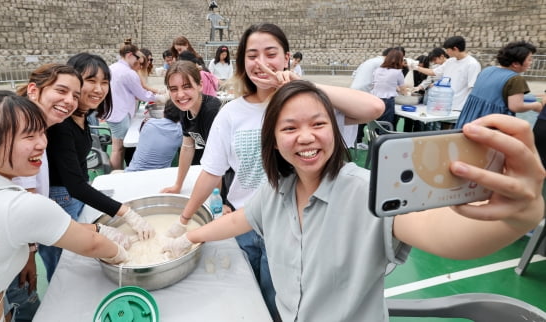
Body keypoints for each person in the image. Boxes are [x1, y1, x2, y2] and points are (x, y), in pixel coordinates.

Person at [162, 80, 545, 322]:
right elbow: (239, 219)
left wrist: (519, 216)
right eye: (290, 128)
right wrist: (189, 237)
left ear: (336, 131)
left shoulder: (368, 192)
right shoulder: (275, 191)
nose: (306, 137)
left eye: (318, 124)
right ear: (274, 141)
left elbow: (445, 234)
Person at [163, 23, 384, 321]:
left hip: (299, 229)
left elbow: (373, 108)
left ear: (287, 58)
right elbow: (211, 172)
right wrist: (184, 221)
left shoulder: (310, 105)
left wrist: (300, 85)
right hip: (244, 225)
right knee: (246, 299)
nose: (261, 62)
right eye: (252, 55)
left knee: (283, 305)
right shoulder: (231, 114)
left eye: (271, 53)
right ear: (242, 62)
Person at [0, 89, 136, 322]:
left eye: (42, 132)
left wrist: (101, 229)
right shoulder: (17, 204)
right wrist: (128, 254)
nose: (42, 143)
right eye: (29, 136)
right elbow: (93, 246)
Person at [43, 53, 155, 280]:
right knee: (64, 269)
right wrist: (127, 213)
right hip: (59, 200)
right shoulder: (62, 125)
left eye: (104, 82)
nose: (99, 89)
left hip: (73, 197)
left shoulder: (84, 116)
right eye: (91, 81)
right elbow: (74, 184)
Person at [9, 63, 82, 320]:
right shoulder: (18, 131)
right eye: (61, 91)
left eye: (75, 95)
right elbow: (26, 203)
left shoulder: (38, 129)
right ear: (33, 90)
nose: (69, 100)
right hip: (5, 253)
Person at [160, 61, 222, 193]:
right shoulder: (185, 108)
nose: (180, 95)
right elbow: (187, 148)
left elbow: (219, 160)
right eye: (174, 89)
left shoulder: (212, 111)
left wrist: (220, 199)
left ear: (200, 85)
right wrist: (178, 185)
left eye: (186, 86)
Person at [455, 41, 543, 129]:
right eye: (529, 59)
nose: (531, 62)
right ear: (515, 63)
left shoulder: (487, 70)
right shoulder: (515, 79)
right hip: (491, 123)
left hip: (469, 118)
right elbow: (516, 106)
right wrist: (536, 105)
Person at [107, 39, 164, 170]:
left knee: (118, 148)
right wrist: (161, 97)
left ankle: (117, 173)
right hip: (120, 113)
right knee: (118, 149)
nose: (138, 64)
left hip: (114, 112)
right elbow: (142, 94)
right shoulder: (128, 72)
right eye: (138, 60)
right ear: (130, 55)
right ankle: (116, 175)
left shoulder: (113, 67)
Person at [413, 36, 482, 112]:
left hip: (459, 108)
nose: (446, 52)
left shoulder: (472, 64)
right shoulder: (450, 62)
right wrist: (415, 67)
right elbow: (433, 72)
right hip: (444, 104)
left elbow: (472, 89)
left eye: (447, 50)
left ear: (455, 49)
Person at [350, 47, 393, 146]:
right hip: (365, 93)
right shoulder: (382, 63)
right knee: (367, 117)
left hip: (354, 90)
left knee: (359, 117)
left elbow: (354, 74)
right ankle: (371, 142)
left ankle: (357, 141)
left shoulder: (369, 61)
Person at [126, 102, 183, 171]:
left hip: (132, 173)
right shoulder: (180, 132)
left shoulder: (147, 123)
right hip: (158, 177)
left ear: (164, 111)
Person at [371, 48, 408, 128]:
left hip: (375, 99)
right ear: (399, 60)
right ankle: (384, 139)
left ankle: (375, 139)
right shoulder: (398, 72)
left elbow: (377, 84)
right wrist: (406, 94)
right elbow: (403, 90)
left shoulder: (377, 70)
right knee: (385, 125)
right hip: (387, 102)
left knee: (377, 123)